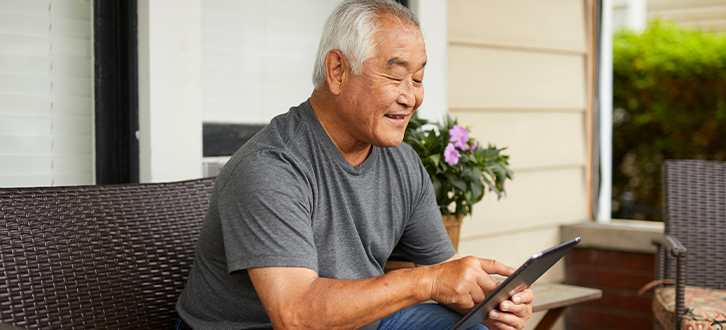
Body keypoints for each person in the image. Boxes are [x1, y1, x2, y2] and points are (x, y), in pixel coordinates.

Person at [175, 1, 533, 329]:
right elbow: (295, 315)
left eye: (419, 78)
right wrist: (429, 282)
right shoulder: (270, 167)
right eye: (395, 76)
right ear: (337, 71)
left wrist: (494, 301)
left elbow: (444, 272)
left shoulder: (403, 164)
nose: (411, 97)